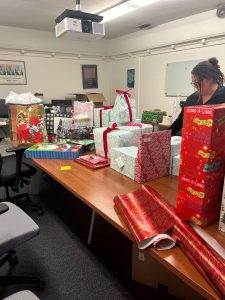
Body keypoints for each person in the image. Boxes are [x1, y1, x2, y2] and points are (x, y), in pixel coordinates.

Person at [169, 57, 225, 135]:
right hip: (195, 142)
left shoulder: (223, 96)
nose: (195, 86)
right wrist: (163, 136)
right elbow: (180, 121)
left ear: (210, 78)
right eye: (193, 83)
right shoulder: (192, 99)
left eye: (197, 82)